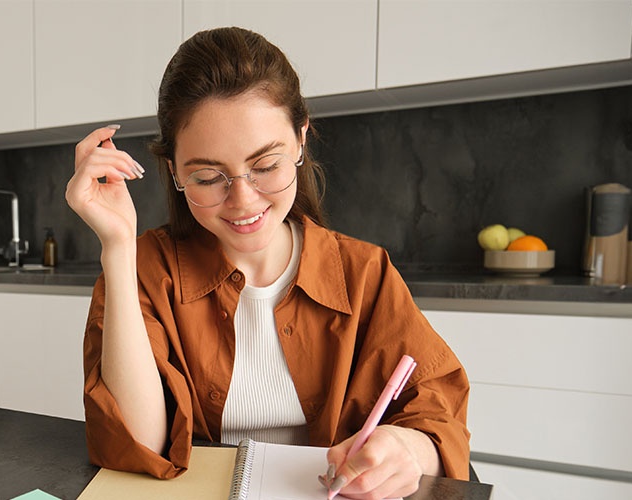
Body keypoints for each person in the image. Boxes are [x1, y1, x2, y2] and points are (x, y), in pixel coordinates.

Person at [65, 27, 470, 499]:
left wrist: (409, 448)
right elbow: (137, 443)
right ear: (174, 170)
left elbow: (437, 410)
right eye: (207, 176)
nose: (241, 200)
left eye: (265, 166)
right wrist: (117, 247)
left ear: (300, 140)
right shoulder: (147, 269)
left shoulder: (363, 272)